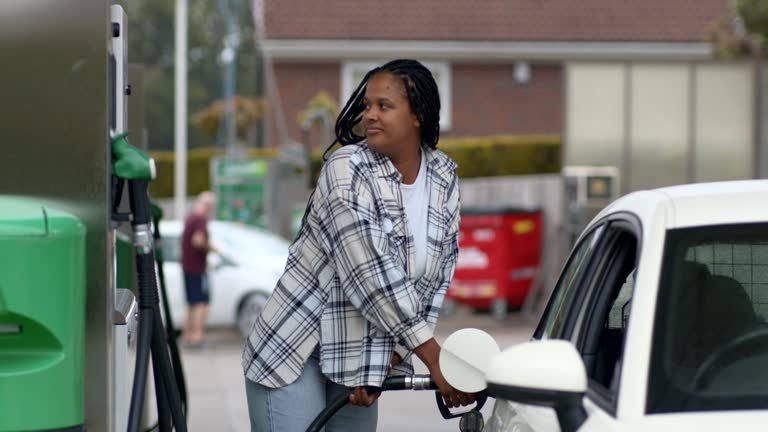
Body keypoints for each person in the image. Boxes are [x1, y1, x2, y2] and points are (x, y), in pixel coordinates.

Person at [241, 59, 473, 431]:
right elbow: (371, 277)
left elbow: (434, 281)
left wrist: (390, 361)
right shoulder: (346, 169)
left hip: (358, 359)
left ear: (418, 115)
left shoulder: (443, 177)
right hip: (296, 349)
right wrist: (434, 359)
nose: (370, 116)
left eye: (384, 106)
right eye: (367, 106)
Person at [181, 191, 217, 347]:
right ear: (208, 205)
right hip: (198, 268)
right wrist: (212, 248)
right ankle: (198, 336)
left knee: (190, 303)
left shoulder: (190, 217)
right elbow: (198, 240)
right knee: (202, 302)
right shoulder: (202, 218)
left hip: (186, 266)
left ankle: (187, 336)